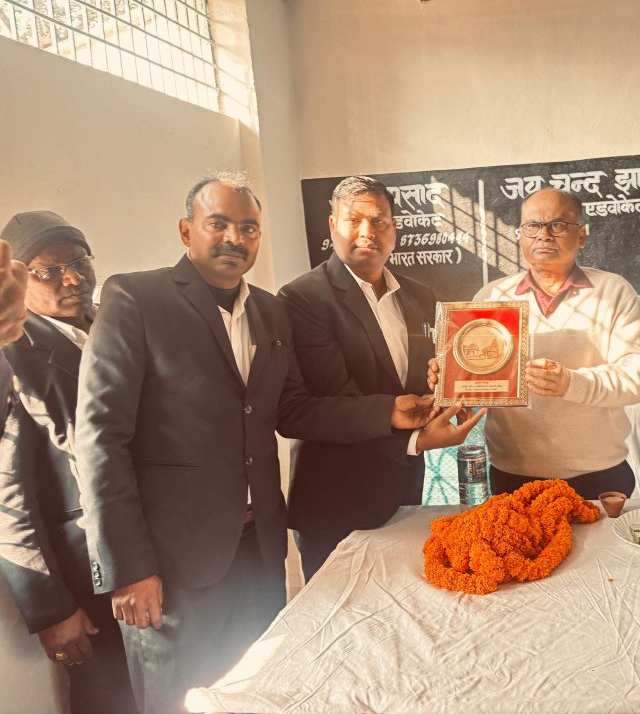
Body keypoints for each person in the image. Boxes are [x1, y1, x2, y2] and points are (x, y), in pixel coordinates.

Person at [75, 176, 446, 714]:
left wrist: (392, 411)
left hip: (260, 548)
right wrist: (127, 566)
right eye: (218, 224)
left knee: (260, 690)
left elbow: (289, 410)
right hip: (173, 559)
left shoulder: (270, 312)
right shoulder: (137, 298)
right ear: (186, 230)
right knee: (175, 701)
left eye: (248, 227)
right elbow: (100, 438)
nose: (235, 238)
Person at [279, 176, 484, 580]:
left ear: (394, 228)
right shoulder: (302, 299)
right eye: (353, 220)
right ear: (332, 225)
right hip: (335, 503)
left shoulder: (420, 296)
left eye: (379, 221)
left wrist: (448, 387)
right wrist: (415, 440)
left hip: (405, 494)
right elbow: (314, 407)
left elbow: (418, 385)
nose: (367, 231)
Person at [0, 212, 136, 713]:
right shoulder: (14, 356)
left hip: (154, 552)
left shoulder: (121, 323)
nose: (74, 279)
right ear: (17, 280)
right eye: (49, 271)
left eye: (80, 262)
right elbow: (8, 492)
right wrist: (51, 609)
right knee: (112, 698)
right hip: (87, 569)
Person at [466, 187, 640, 498]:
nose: (544, 235)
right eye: (533, 225)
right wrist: (451, 376)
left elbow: (639, 378)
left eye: (557, 225)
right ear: (520, 235)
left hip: (599, 474)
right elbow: (476, 377)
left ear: (581, 235)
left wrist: (571, 382)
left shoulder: (613, 291)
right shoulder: (491, 297)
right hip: (513, 475)